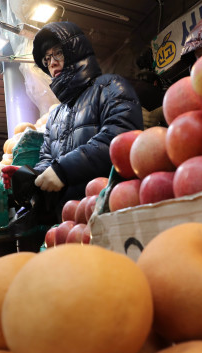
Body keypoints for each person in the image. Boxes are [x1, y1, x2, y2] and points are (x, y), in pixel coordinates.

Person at [31, 22, 143, 221]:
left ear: (75, 51)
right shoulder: (55, 115)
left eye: (58, 53)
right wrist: (33, 178)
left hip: (111, 209)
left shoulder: (109, 86)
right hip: (69, 219)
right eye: (46, 58)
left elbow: (120, 138)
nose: (52, 63)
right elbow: (47, 158)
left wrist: (63, 170)